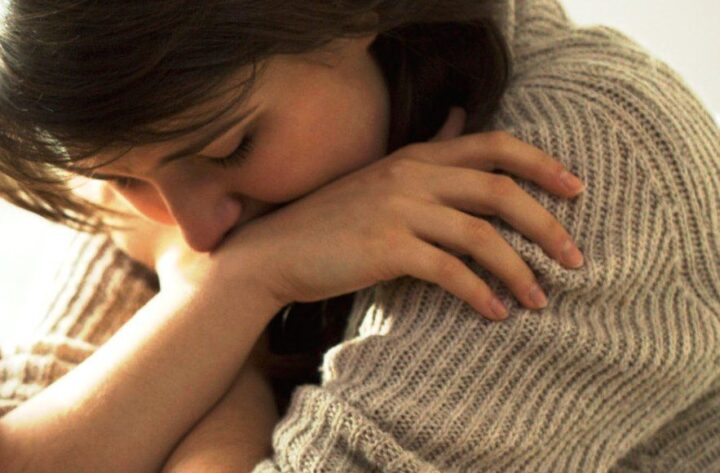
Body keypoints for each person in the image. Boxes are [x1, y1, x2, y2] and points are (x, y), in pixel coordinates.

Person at [0, 1, 718, 473]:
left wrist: (216, 321)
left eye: (232, 148)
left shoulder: (578, 166)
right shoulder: (165, 159)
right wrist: (233, 287)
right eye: (121, 182)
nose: (194, 229)